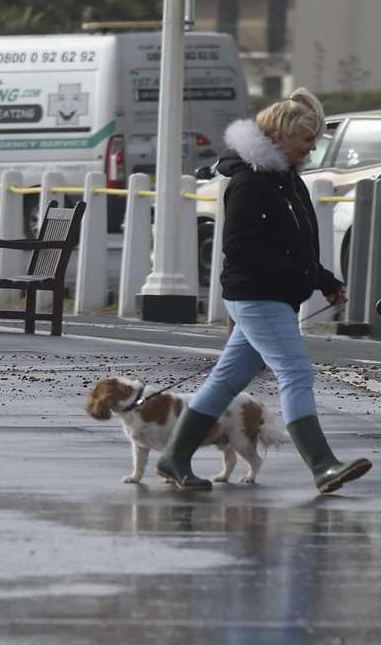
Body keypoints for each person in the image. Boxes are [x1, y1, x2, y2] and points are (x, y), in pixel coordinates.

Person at [157, 90, 371, 494]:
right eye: (306, 141)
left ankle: (174, 457)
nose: (311, 149)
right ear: (278, 136)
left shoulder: (286, 181)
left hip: (272, 295)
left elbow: (297, 246)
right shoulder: (251, 183)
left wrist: (323, 280)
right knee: (295, 371)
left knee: (225, 381)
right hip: (257, 295)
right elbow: (240, 248)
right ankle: (323, 464)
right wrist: (301, 276)